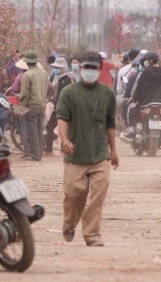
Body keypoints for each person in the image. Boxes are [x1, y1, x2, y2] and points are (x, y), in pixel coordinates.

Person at [55, 52, 120, 247]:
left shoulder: (107, 93)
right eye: (86, 68)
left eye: (93, 68)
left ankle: (92, 234)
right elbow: (62, 119)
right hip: (75, 155)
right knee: (74, 194)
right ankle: (69, 223)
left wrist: (113, 150)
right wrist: (64, 139)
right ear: (80, 68)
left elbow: (110, 123)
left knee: (98, 194)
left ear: (100, 69)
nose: (90, 71)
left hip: (100, 155)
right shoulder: (69, 93)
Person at [124, 51, 161, 139]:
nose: (145, 63)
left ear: (150, 61)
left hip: (145, 102)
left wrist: (134, 100)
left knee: (131, 110)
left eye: (146, 61)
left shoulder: (145, 73)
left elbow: (139, 88)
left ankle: (131, 132)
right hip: (160, 103)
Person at [18, 51, 47, 161]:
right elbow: (46, 89)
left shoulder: (27, 75)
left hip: (32, 106)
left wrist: (22, 109)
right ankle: (39, 154)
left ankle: (35, 155)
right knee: (39, 130)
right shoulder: (44, 72)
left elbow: (24, 94)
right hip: (41, 105)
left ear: (27, 63)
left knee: (32, 131)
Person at [44, 56, 73, 154]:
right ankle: (48, 149)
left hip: (66, 109)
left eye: (58, 68)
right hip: (57, 108)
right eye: (55, 68)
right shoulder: (56, 78)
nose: (56, 70)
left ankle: (64, 148)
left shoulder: (69, 79)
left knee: (64, 128)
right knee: (49, 127)